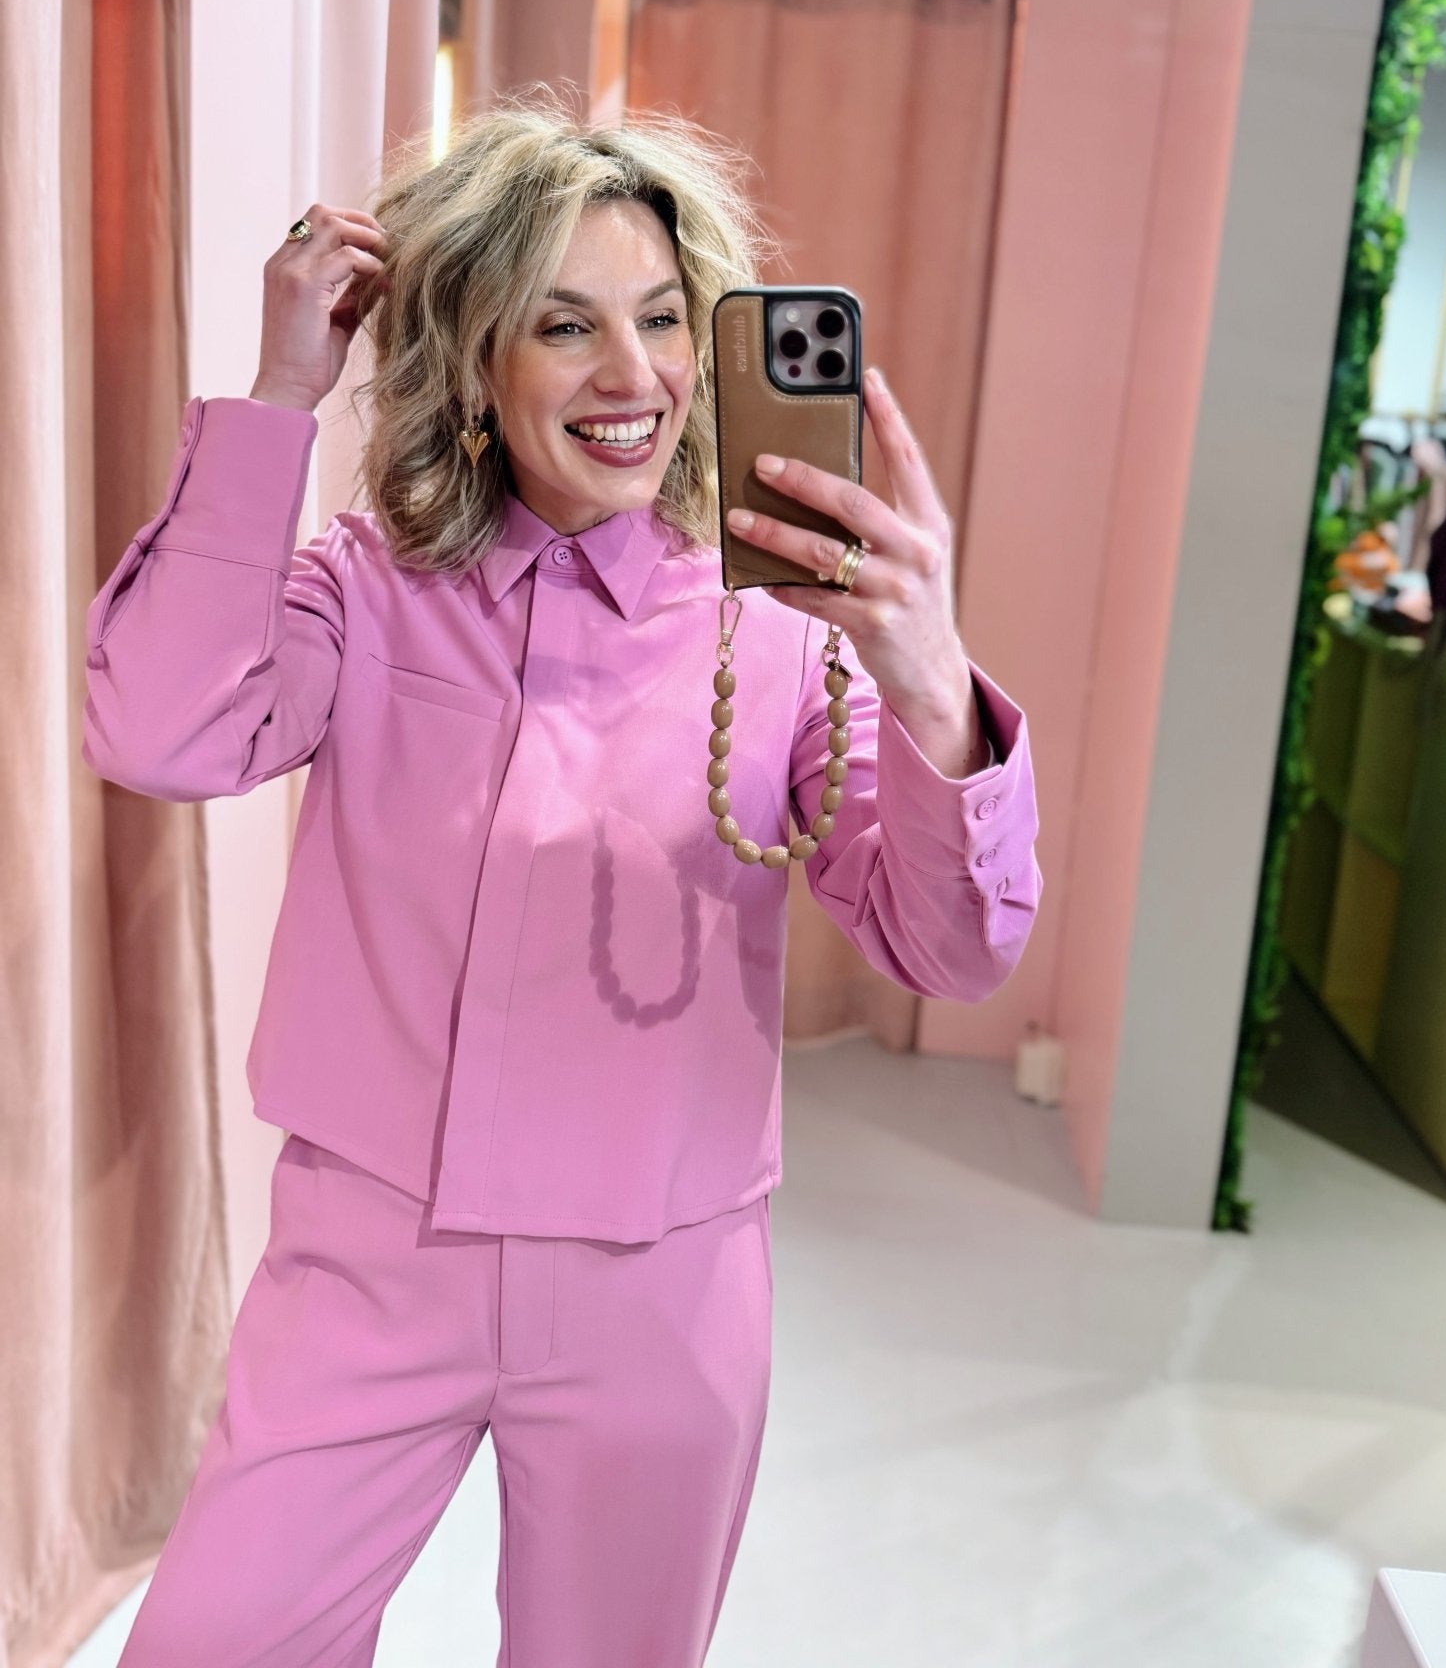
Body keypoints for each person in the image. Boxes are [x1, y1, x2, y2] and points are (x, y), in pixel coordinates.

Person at [81, 102, 1042, 1666]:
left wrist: (929, 676)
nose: (633, 377)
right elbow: (158, 730)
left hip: (658, 1287)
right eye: (565, 324)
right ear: (478, 361)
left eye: (661, 320)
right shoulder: (367, 587)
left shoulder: (783, 635)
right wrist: (277, 397)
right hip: (369, 1262)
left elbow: (955, 946)